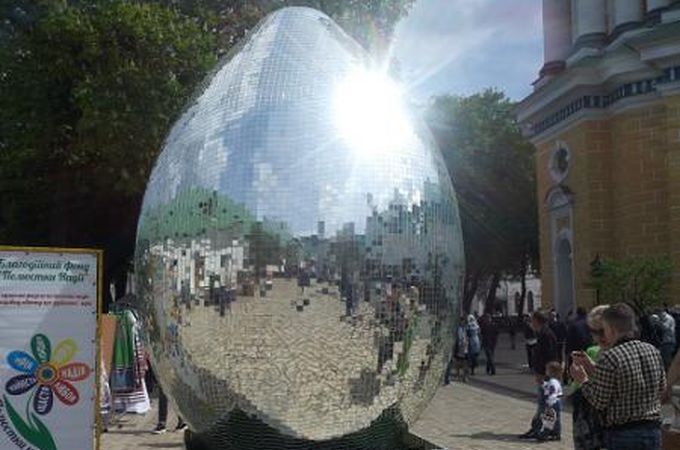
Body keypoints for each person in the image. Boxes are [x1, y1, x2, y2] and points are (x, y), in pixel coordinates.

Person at [571, 303, 666, 450]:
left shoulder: (611, 356)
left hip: (623, 433)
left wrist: (582, 380)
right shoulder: (652, 350)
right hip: (652, 430)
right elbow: (661, 388)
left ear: (612, 329)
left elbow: (599, 401)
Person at [569, 305, 608, 450]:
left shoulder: (614, 354)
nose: (597, 337)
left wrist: (583, 380)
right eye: (593, 332)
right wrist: (589, 365)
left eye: (601, 331)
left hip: (605, 429)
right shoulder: (600, 351)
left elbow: (603, 396)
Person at [520, 311, 558, 439]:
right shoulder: (542, 333)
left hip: (546, 374)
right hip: (544, 372)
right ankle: (548, 429)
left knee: (545, 403)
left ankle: (541, 429)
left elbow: (548, 356)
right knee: (547, 403)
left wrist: (543, 373)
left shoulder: (546, 334)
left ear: (537, 321)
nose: (530, 323)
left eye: (532, 320)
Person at [535, 361, 564, 442]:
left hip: (553, 402)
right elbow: (548, 387)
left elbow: (552, 393)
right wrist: (543, 384)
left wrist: (550, 403)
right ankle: (555, 433)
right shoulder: (553, 381)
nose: (546, 371)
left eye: (547, 370)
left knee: (550, 418)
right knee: (555, 418)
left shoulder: (553, 382)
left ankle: (547, 434)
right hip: (555, 401)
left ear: (551, 372)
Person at [566, 307, 593, 380]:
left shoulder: (573, 324)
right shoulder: (591, 323)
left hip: (577, 351)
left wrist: (568, 353)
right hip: (590, 350)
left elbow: (569, 341)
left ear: (577, 314)